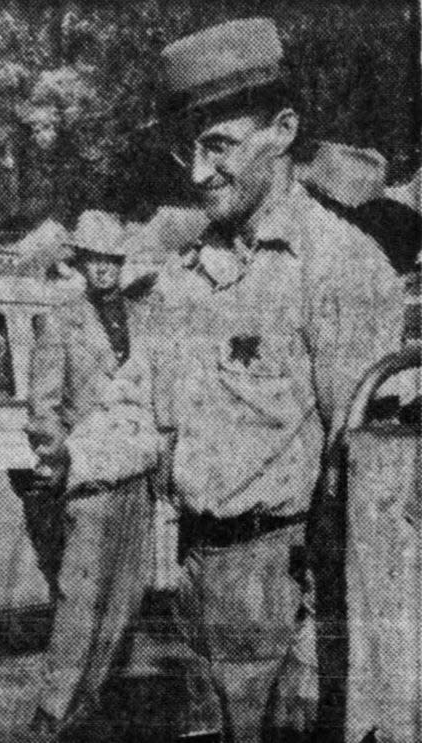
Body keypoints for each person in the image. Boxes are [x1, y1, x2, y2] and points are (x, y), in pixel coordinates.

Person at [40, 18, 405, 743]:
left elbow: (366, 486)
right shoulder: (187, 276)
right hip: (197, 577)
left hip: (288, 580)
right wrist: (73, 457)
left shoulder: (339, 268)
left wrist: (318, 641)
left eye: (220, 145)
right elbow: (141, 401)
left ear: (284, 130)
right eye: (188, 147)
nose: (198, 172)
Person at [20, 210, 158, 741]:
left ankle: (95, 703)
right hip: (89, 478)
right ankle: (53, 710)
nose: (105, 270)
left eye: (113, 261)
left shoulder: (142, 316)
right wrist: (59, 456)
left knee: (128, 595)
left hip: (136, 474)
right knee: (81, 598)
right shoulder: (61, 318)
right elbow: (43, 404)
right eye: (96, 260)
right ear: (81, 262)